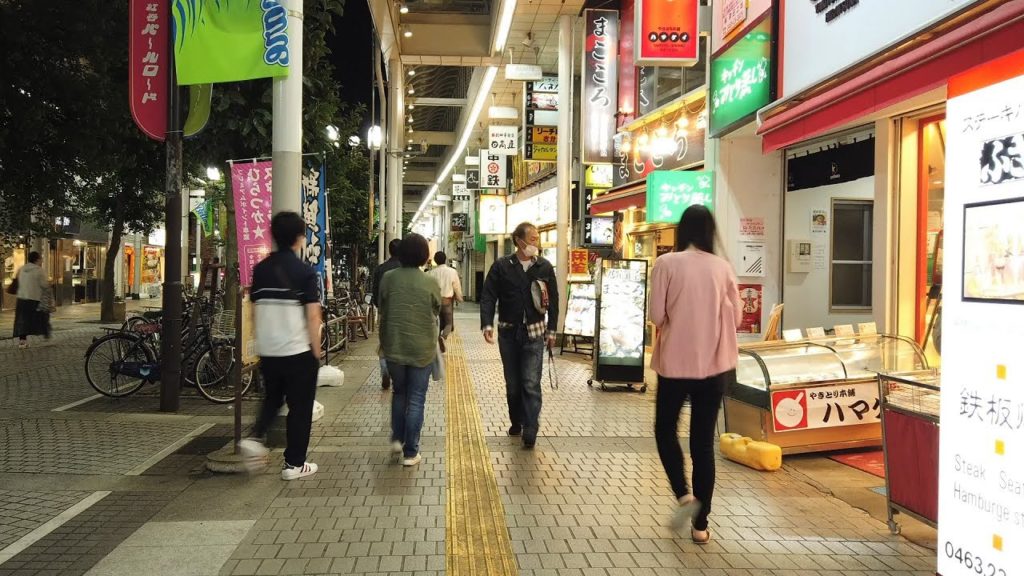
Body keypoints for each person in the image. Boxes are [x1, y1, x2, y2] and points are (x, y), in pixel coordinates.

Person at [649, 205, 741, 545]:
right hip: (713, 368)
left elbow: (656, 315)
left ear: (682, 230)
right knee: (702, 444)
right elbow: (736, 319)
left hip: (674, 364)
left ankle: (683, 494)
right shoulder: (722, 268)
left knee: (665, 429)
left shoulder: (666, 263)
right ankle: (701, 526)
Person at [238, 212, 323, 481]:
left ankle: (255, 437)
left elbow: (254, 309)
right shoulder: (304, 272)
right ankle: (294, 464)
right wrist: (316, 350)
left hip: (269, 349)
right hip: (297, 350)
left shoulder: (261, 270)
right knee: (300, 407)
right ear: (299, 238)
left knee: (273, 398)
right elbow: (313, 315)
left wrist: (259, 342)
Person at [480, 222, 558, 449]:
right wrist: (487, 324)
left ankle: (531, 427)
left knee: (531, 382)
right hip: (508, 332)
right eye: (533, 239)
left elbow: (554, 299)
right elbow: (488, 295)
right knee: (513, 384)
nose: (536, 243)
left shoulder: (544, 266)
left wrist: (552, 330)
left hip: (534, 332)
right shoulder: (502, 266)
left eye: (537, 239)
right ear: (519, 241)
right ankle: (517, 420)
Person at [379, 233, 440, 467]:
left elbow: (382, 306)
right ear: (424, 255)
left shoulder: (388, 278)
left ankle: (397, 439)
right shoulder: (429, 281)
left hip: (394, 345)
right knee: (416, 399)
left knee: (399, 393)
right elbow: (436, 308)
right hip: (422, 349)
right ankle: (411, 452)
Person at [372, 239, 402, 390]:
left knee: (384, 343)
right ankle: (398, 374)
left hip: (384, 312)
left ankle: (385, 369)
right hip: (402, 313)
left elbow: (375, 293)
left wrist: (380, 308)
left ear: (389, 251)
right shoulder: (406, 270)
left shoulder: (380, 269)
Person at [12, 251, 51, 349]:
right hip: (34, 299)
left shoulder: (22, 269)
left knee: (22, 320)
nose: (42, 260)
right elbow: (44, 285)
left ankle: (22, 341)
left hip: (21, 298)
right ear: (37, 259)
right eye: (41, 258)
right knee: (43, 316)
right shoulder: (39, 270)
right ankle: (46, 334)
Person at [427, 250, 463, 341]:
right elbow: (456, 286)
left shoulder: (431, 273)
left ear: (435, 260)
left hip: (435, 302)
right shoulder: (452, 272)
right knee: (449, 323)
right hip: (447, 301)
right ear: (445, 259)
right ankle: (443, 337)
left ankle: (439, 338)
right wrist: (459, 297)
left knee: (439, 322)